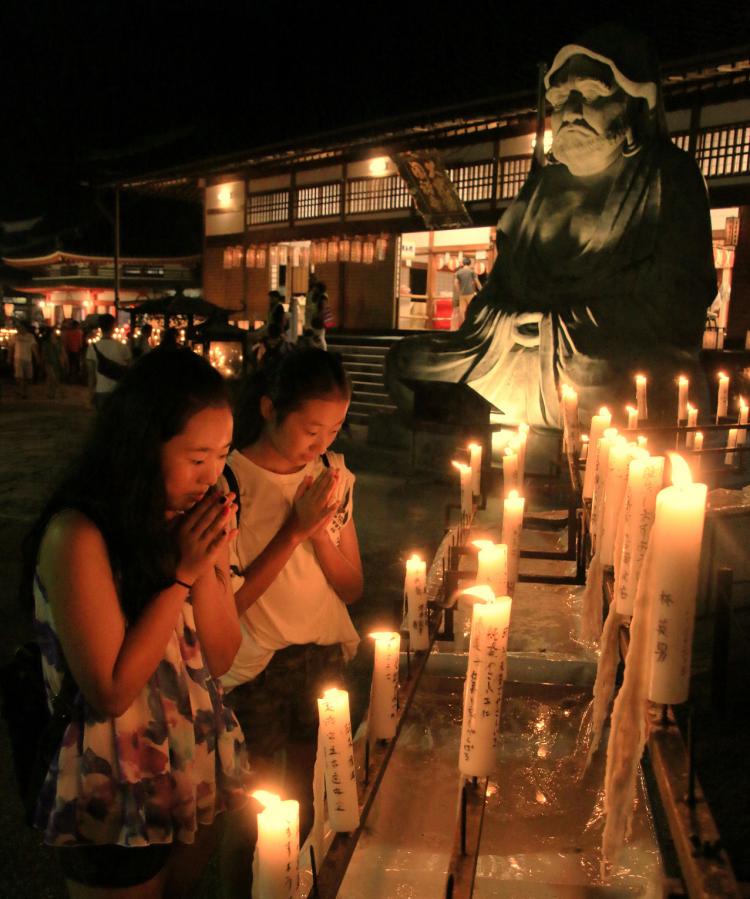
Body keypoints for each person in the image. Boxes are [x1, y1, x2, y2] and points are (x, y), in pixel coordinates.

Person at [387, 25, 716, 427]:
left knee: (655, 385)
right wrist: (508, 323)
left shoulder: (667, 175)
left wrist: (559, 324)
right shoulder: (543, 184)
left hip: (596, 359)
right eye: (561, 99)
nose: (573, 111)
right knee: (406, 363)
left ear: (634, 103)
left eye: (593, 95)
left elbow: (679, 302)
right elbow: (494, 294)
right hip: (507, 351)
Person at [22, 347, 251, 898]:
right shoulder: (79, 535)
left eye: (222, 454)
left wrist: (209, 565)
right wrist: (180, 576)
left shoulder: (192, 521)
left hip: (185, 761)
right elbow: (111, 690)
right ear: (142, 446)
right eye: (197, 458)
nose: (213, 475)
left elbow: (220, 657)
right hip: (111, 778)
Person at [219, 348, 363, 896]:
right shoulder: (229, 481)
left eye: (334, 429)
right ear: (269, 408)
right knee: (248, 811)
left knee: (311, 799)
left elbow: (351, 588)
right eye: (310, 429)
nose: (321, 443)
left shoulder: (332, 475)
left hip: (321, 655)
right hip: (253, 665)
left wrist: (320, 529)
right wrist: (295, 531)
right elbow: (226, 603)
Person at [86, 313, 132, 411]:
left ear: (100, 327)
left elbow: (91, 373)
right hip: (118, 390)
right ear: (113, 326)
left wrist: (91, 393)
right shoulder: (122, 347)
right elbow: (129, 369)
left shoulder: (92, 348)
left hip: (101, 390)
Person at [10, 320, 39, 398]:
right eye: (19, 328)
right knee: (20, 376)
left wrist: (37, 358)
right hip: (18, 358)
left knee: (29, 377)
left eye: (21, 327)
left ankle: (25, 390)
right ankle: (22, 392)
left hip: (28, 359)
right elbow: (11, 347)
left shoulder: (30, 336)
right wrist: (9, 357)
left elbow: (34, 348)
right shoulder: (15, 336)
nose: (20, 329)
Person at [453, 258, 482, 327]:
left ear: (463, 264)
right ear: (469, 264)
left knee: (462, 311)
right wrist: (481, 290)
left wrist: (459, 291)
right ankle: (472, 325)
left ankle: (464, 326)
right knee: (472, 310)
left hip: (462, 294)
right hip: (470, 294)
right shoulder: (472, 272)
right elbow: (477, 282)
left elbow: (455, 283)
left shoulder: (458, 272)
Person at [40, 326, 66, 399]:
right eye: (53, 332)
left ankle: (52, 393)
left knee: (54, 378)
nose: (54, 334)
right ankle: (54, 392)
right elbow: (43, 353)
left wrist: (64, 361)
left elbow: (62, 352)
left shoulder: (59, 342)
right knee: (52, 377)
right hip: (49, 362)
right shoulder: (46, 343)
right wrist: (42, 361)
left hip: (57, 362)